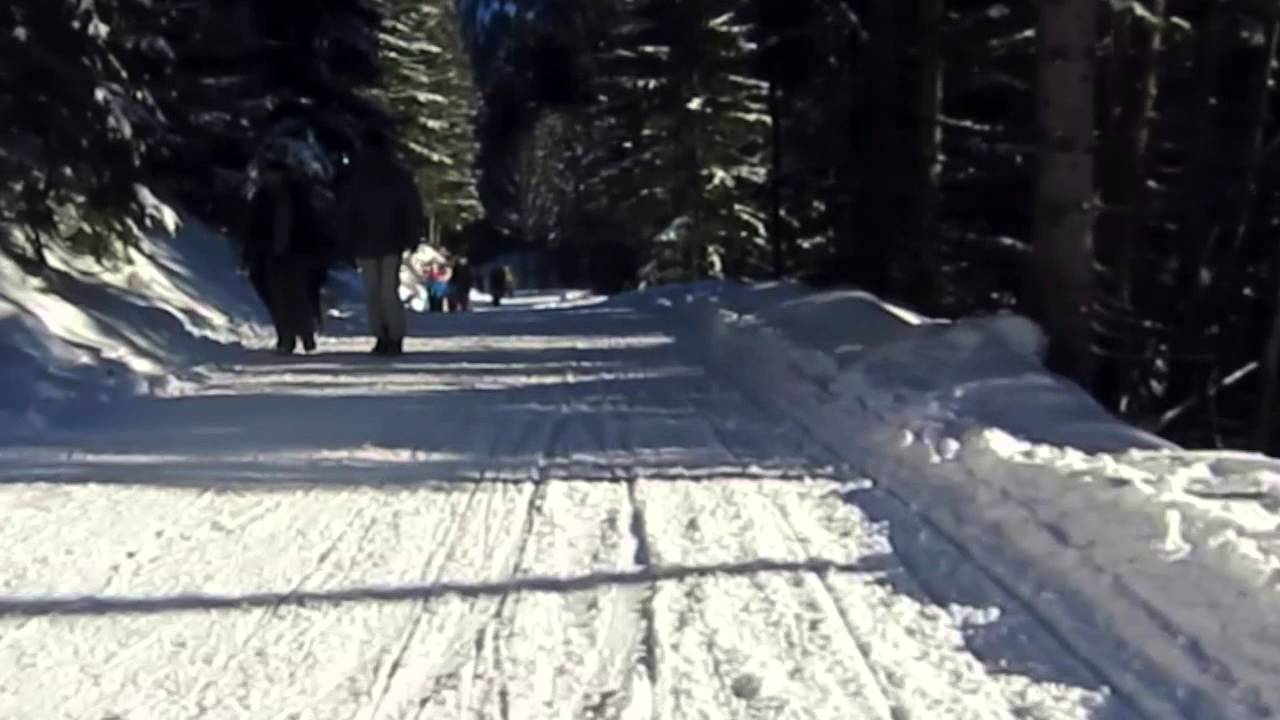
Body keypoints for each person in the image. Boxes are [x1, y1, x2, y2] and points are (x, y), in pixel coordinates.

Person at [338, 128, 425, 356]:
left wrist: (348, 239)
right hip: (389, 241)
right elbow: (412, 208)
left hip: (369, 242)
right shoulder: (396, 175)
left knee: (374, 293)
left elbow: (348, 212)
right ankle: (392, 337)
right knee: (387, 292)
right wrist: (412, 235)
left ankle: (383, 336)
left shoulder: (359, 176)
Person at [244, 160, 321, 355]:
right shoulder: (262, 198)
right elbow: (253, 228)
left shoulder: (297, 195)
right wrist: (250, 253)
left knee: (297, 294)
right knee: (278, 297)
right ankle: (286, 337)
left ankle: (305, 332)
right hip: (272, 252)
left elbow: (310, 225)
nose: (270, 179)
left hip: (297, 252)